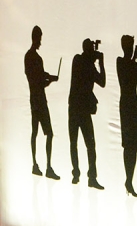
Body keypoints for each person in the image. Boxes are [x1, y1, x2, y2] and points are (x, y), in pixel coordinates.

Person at [67, 39, 106, 189]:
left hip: (76, 108)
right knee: (86, 144)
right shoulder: (82, 61)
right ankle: (86, 176)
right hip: (80, 109)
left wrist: (97, 62)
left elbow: (101, 82)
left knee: (80, 143)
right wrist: (99, 63)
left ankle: (80, 174)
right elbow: (101, 81)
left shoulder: (82, 61)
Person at [25, 26, 59, 180]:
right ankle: (46, 167)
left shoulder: (30, 57)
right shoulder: (34, 58)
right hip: (39, 100)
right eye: (40, 38)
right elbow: (38, 80)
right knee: (47, 133)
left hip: (35, 99)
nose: (41, 42)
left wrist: (50, 78)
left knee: (36, 133)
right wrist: (50, 79)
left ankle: (36, 165)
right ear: (36, 38)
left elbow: (38, 78)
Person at [117, 35, 137, 197]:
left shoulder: (131, 64)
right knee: (128, 143)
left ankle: (129, 180)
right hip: (127, 104)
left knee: (133, 145)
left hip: (133, 104)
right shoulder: (121, 62)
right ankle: (128, 180)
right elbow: (127, 72)